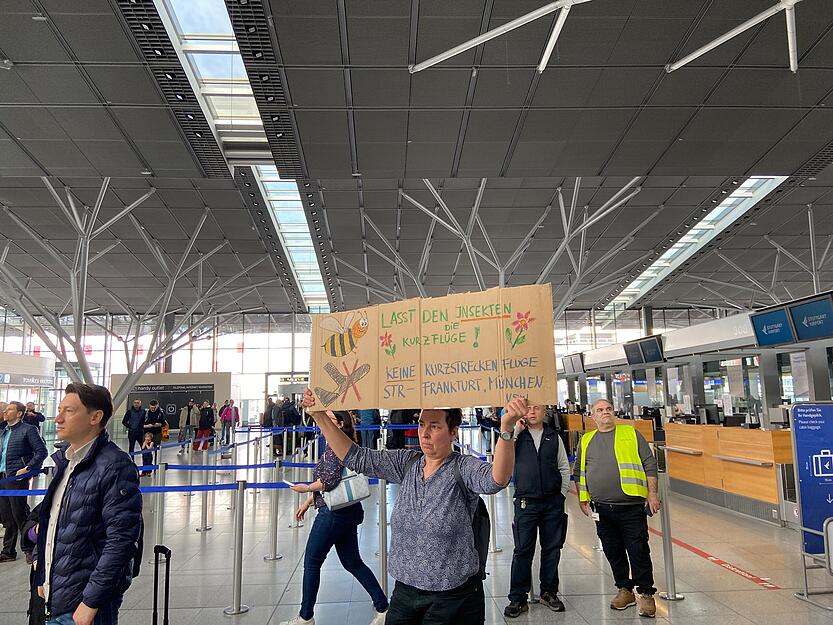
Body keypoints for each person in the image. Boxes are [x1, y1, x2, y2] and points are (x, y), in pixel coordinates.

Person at [301, 389, 526, 625]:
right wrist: (319, 416)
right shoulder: (406, 463)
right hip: (405, 592)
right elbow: (357, 458)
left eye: (435, 426)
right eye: (421, 424)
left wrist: (507, 429)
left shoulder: (463, 467)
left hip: (453, 597)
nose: (425, 433)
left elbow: (496, 480)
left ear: (453, 432)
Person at [34, 383, 142, 625]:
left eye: (69, 411)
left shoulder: (114, 466)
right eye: (59, 409)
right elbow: (52, 521)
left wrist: (90, 602)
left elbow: (121, 541)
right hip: (58, 594)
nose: (58, 418)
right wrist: (42, 572)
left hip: (84, 607)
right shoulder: (65, 461)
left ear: (95, 417)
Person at [280, 410, 388, 625]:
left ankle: (305, 617)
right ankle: (383, 607)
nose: (323, 422)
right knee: (353, 562)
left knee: (312, 562)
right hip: (347, 510)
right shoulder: (344, 445)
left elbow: (329, 480)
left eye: (329, 419)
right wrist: (309, 501)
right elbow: (332, 481)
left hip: (333, 514)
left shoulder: (335, 448)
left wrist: (307, 489)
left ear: (340, 424)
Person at [574, 398, 660, 618]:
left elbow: (649, 463)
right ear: (592, 416)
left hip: (631, 506)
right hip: (601, 508)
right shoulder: (586, 440)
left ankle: (647, 594)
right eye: (600, 410)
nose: (605, 413)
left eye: (609, 409)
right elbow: (579, 471)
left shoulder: (630, 433)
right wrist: (583, 498)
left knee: (638, 550)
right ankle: (625, 589)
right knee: (613, 551)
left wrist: (652, 493)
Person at [504, 404, 570, 618]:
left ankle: (549, 592)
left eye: (537, 409)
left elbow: (563, 466)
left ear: (545, 413)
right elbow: (504, 455)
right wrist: (516, 431)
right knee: (523, 550)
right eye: (529, 409)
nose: (532, 412)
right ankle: (517, 598)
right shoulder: (517, 436)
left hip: (552, 502)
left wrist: (561, 494)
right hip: (526, 502)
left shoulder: (554, 436)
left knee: (552, 548)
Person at [0, 401, 47, 564]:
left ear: (19, 413)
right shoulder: (4, 431)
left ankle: (29, 548)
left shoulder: (28, 430)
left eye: (9, 409)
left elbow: (41, 451)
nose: (5, 412)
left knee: (19, 513)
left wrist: (27, 468)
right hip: (3, 477)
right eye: (5, 410)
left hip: (16, 478)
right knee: (7, 516)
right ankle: (8, 551)